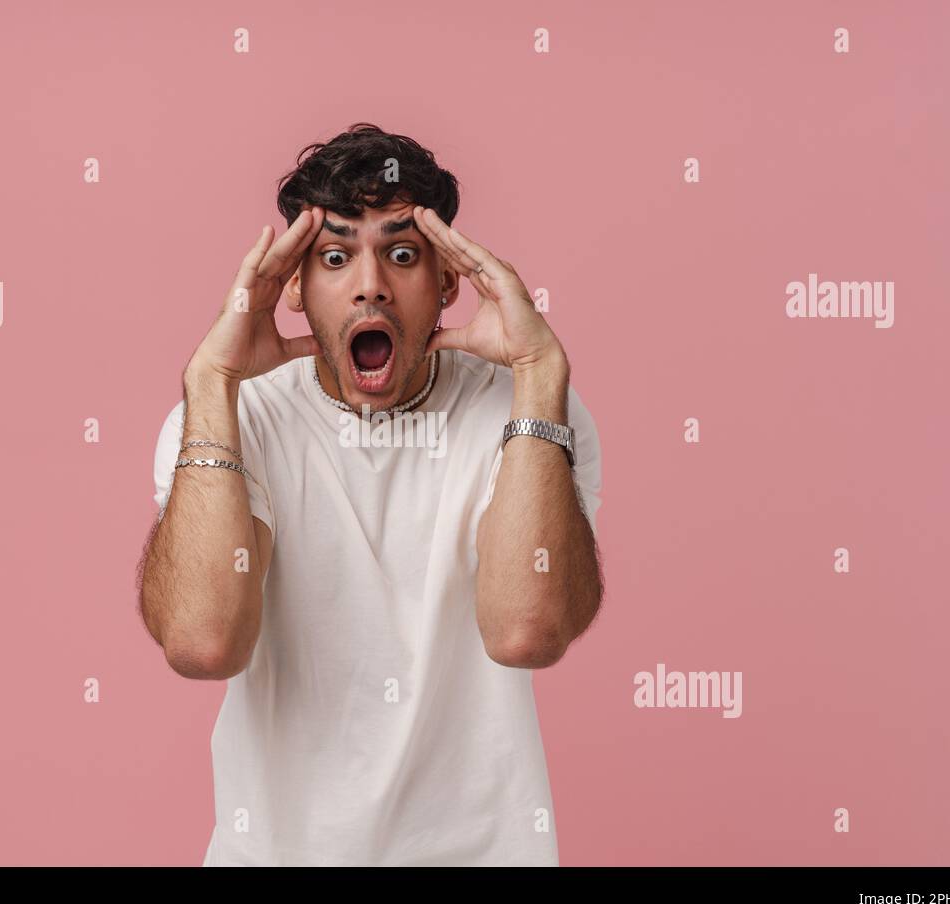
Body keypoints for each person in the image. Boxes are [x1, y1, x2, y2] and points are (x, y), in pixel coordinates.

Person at [138, 123, 604, 866]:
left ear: (450, 279)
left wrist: (541, 370)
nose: (370, 284)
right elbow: (203, 641)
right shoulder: (233, 418)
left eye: (402, 252)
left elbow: (527, 630)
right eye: (333, 255)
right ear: (293, 286)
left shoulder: (525, 409)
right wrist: (210, 384)